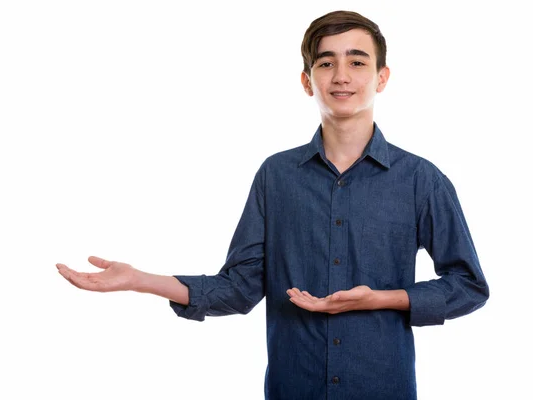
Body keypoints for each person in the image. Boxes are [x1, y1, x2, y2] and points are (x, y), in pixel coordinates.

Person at [56, 10, 489, 400]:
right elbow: (240, 288)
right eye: (326, 62)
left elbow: (469, 285)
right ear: (307, 81)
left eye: (357, 62)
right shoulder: (276, 176)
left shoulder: (420, 179)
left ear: (382, 77)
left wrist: (379, 299)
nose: (341, 75)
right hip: (292, 387)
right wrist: (141, 280)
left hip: (383, 387)